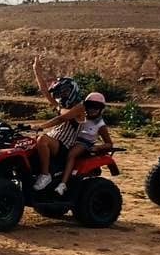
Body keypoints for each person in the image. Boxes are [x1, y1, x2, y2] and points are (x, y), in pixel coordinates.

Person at [31, 56, 85, 191]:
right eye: (60, 93)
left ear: (72, 90)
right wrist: (36, 71)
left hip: (65, 146)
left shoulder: (80, 107)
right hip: (55, 141)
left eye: (65, 92)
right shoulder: (61, 106)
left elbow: (61, 119)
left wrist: (40, 126)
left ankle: (45, 175)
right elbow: (45, 91)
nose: (61, 96)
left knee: (42, 139)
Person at [53, 92, 113, 196]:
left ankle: (63, 183)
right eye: (90, 106)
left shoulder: (100, 124)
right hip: (71, 139)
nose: (92, 109)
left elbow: (109, 144)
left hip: (85, 144)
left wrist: (98, 148)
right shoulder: (80, 115)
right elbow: (64, 115)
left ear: (101, 109)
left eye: (96, 107)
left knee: (71, 154)